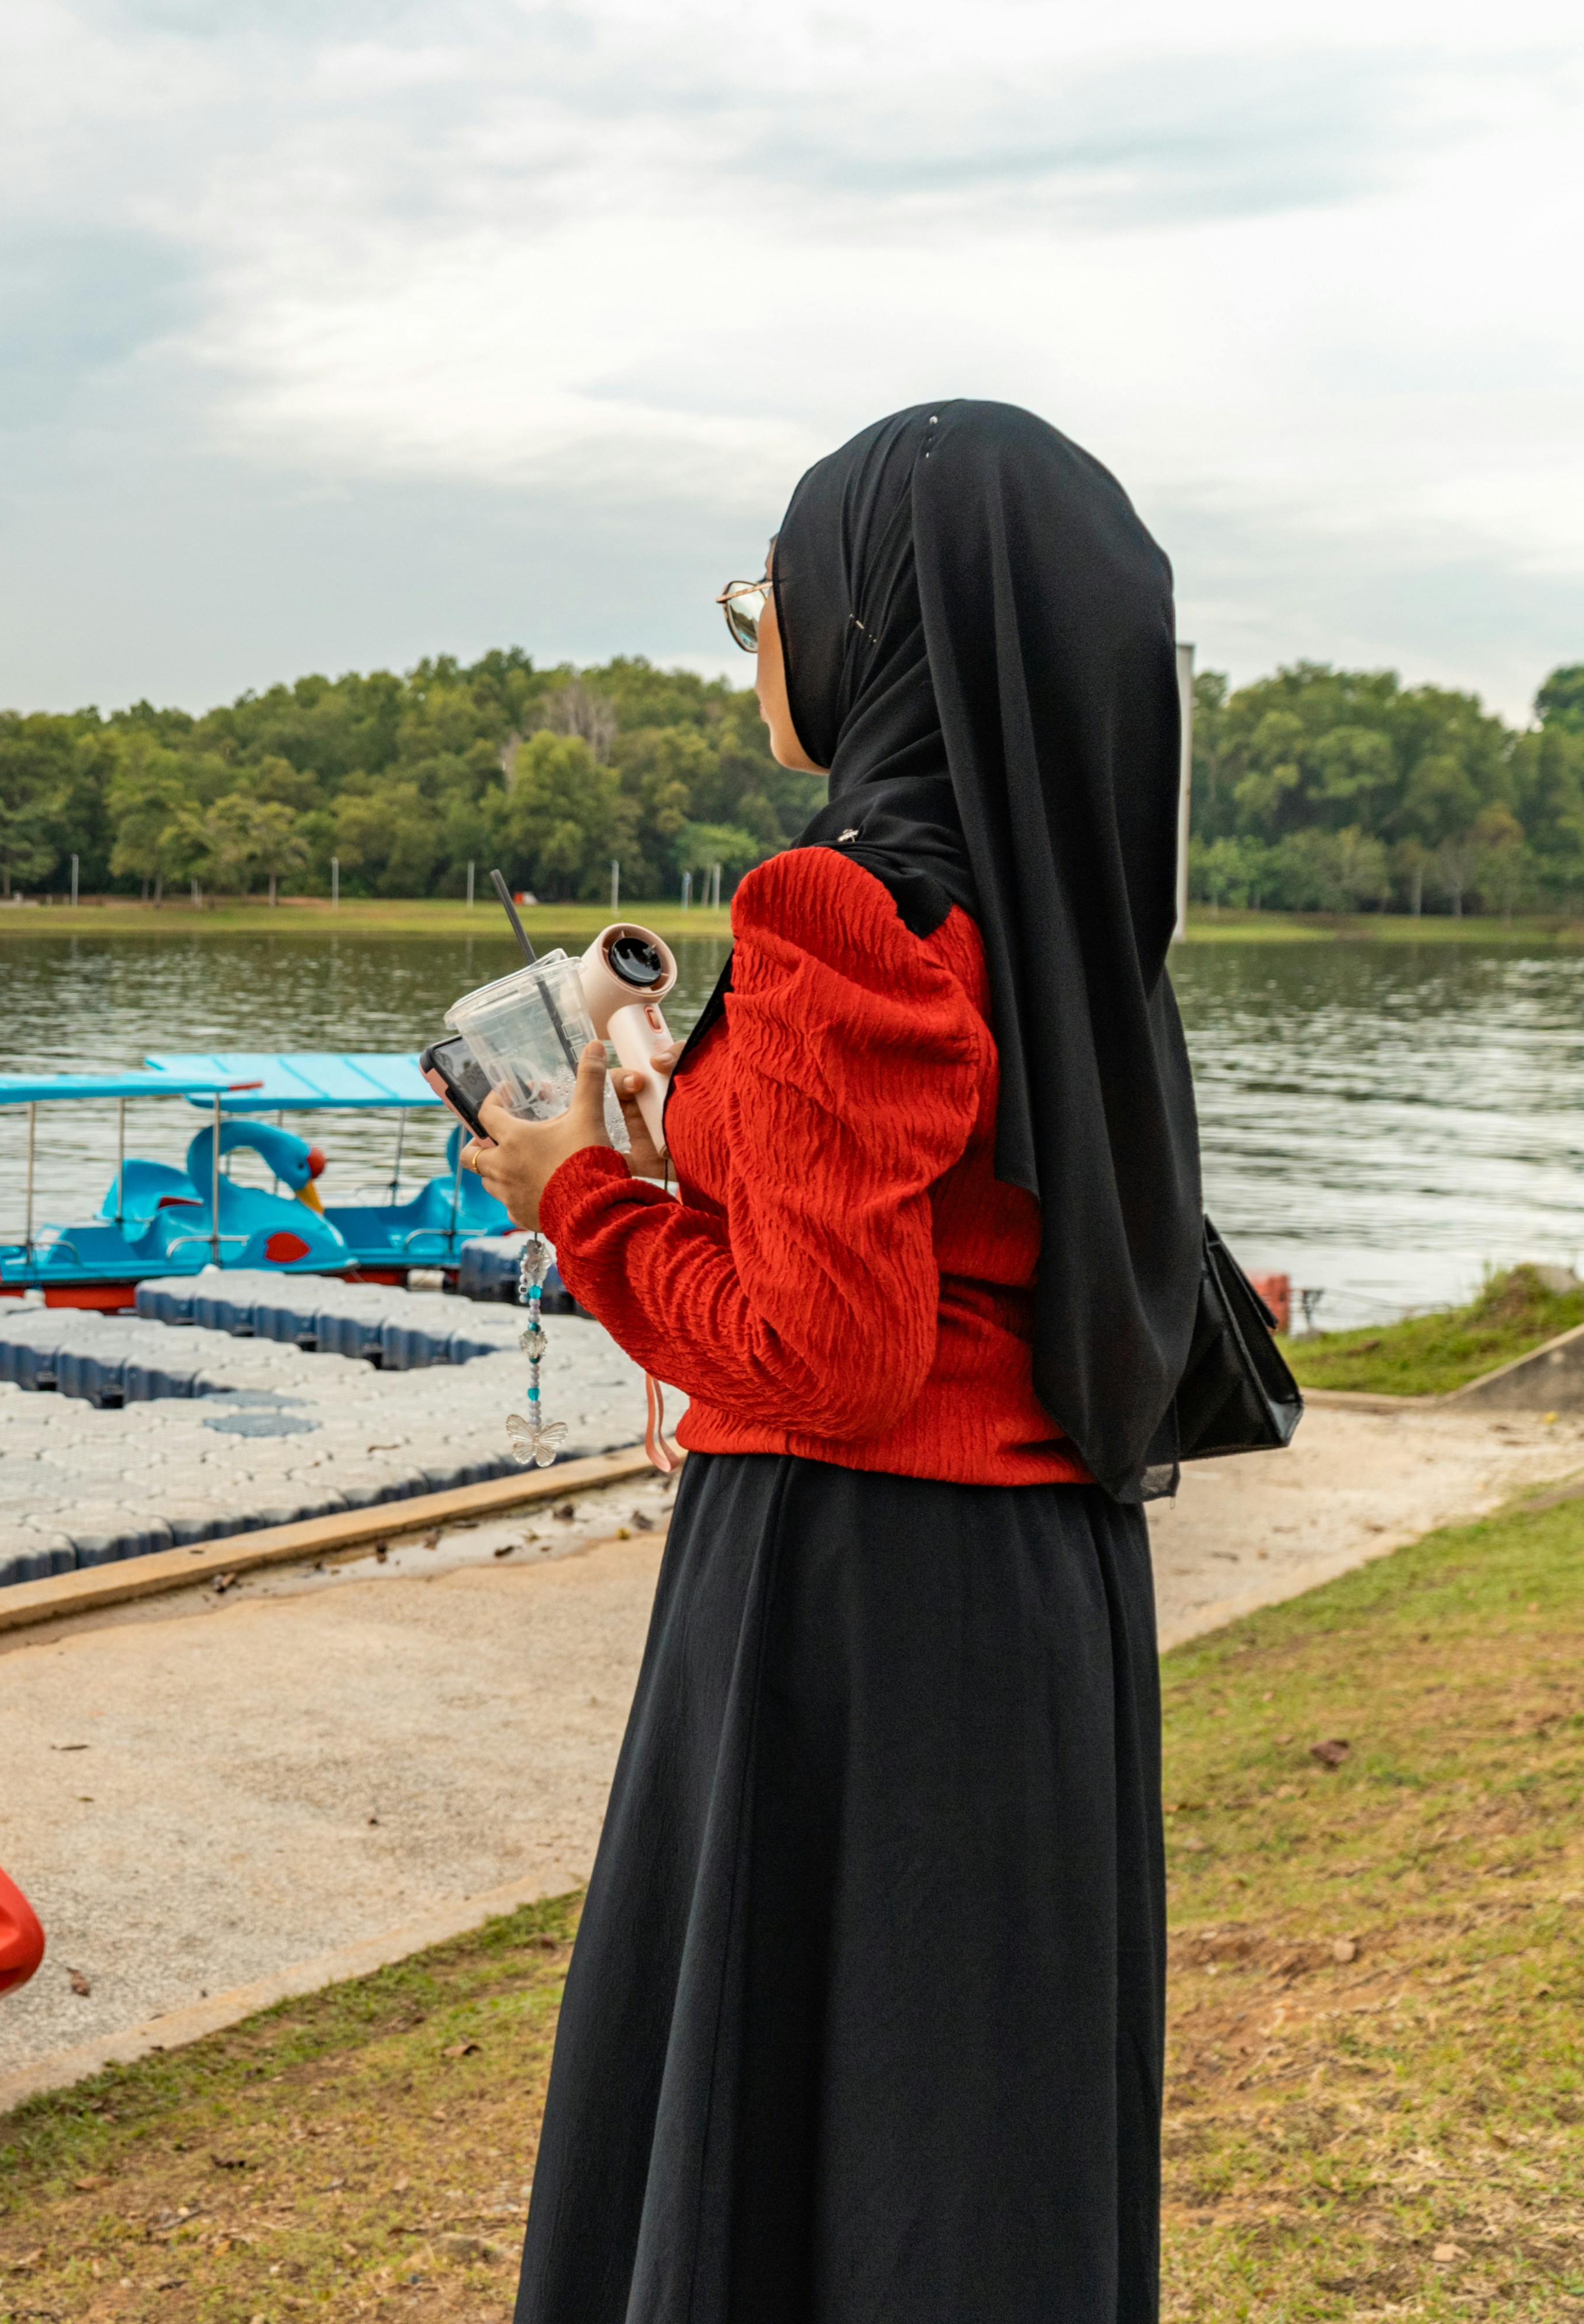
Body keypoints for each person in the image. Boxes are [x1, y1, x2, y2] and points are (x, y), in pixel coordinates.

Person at [465, 400, 1200, 2323]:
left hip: (850, 1600)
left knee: (802, 2135)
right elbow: (945, 1234)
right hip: (1041, 1593)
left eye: (762, 607)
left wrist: (578, 1199)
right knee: (966, 2155)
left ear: (872, 626)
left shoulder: (833, 906)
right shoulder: (1068, 915)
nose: (761, 649)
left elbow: (826, 1350)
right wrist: (690, 1143)